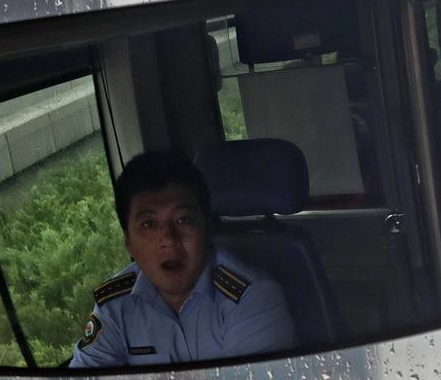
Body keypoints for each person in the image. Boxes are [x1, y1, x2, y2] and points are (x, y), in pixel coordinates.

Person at [70, 152, 297, 367]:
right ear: (128, 241)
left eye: (183, 219)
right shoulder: (114, 306)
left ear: (207, 229)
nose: (169, 239)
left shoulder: (252, 297)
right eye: (149, 224)